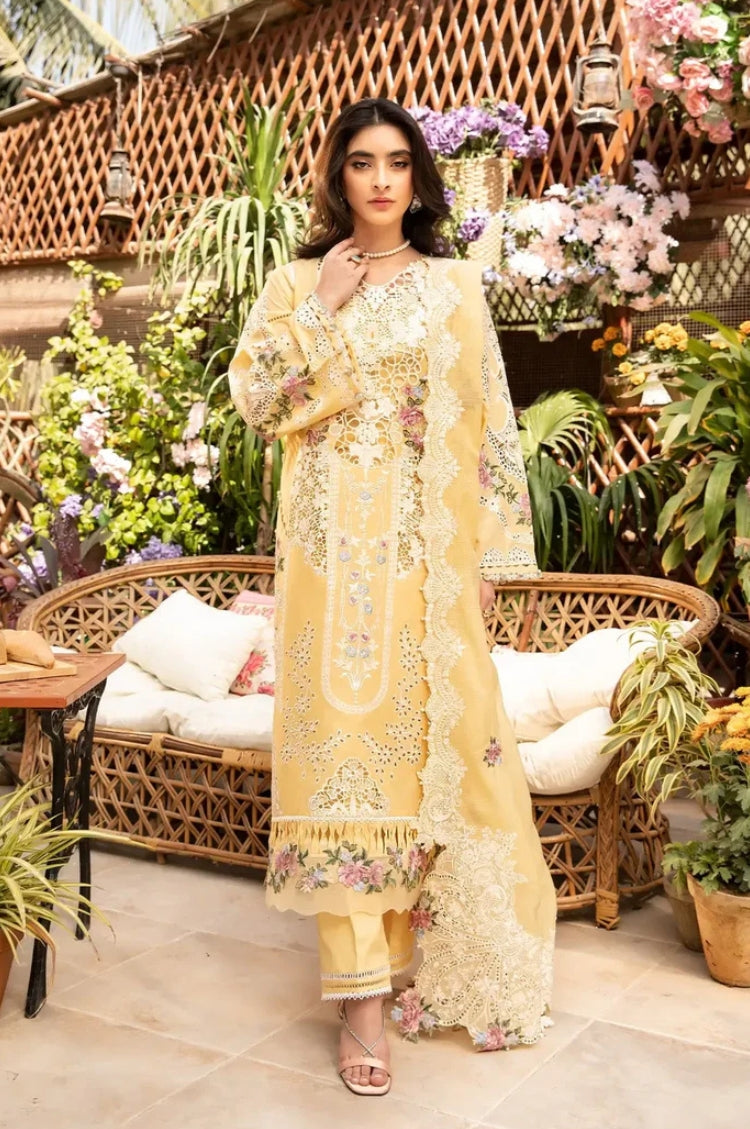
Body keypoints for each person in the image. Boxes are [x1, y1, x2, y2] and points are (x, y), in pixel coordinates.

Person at [229, 97, 556, 1097]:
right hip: (327, 570)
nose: (380, 180)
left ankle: (420, 950)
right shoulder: (297, 282)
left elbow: (491, 426)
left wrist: (494, 564)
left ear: (419, 178)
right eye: (362, 162)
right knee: (337, 770)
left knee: (427, 766)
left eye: (398, 162)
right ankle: (360, 1001)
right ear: (338, 175)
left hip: (427, 566)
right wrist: (322, 307)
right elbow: (258, 402)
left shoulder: (455, 286)